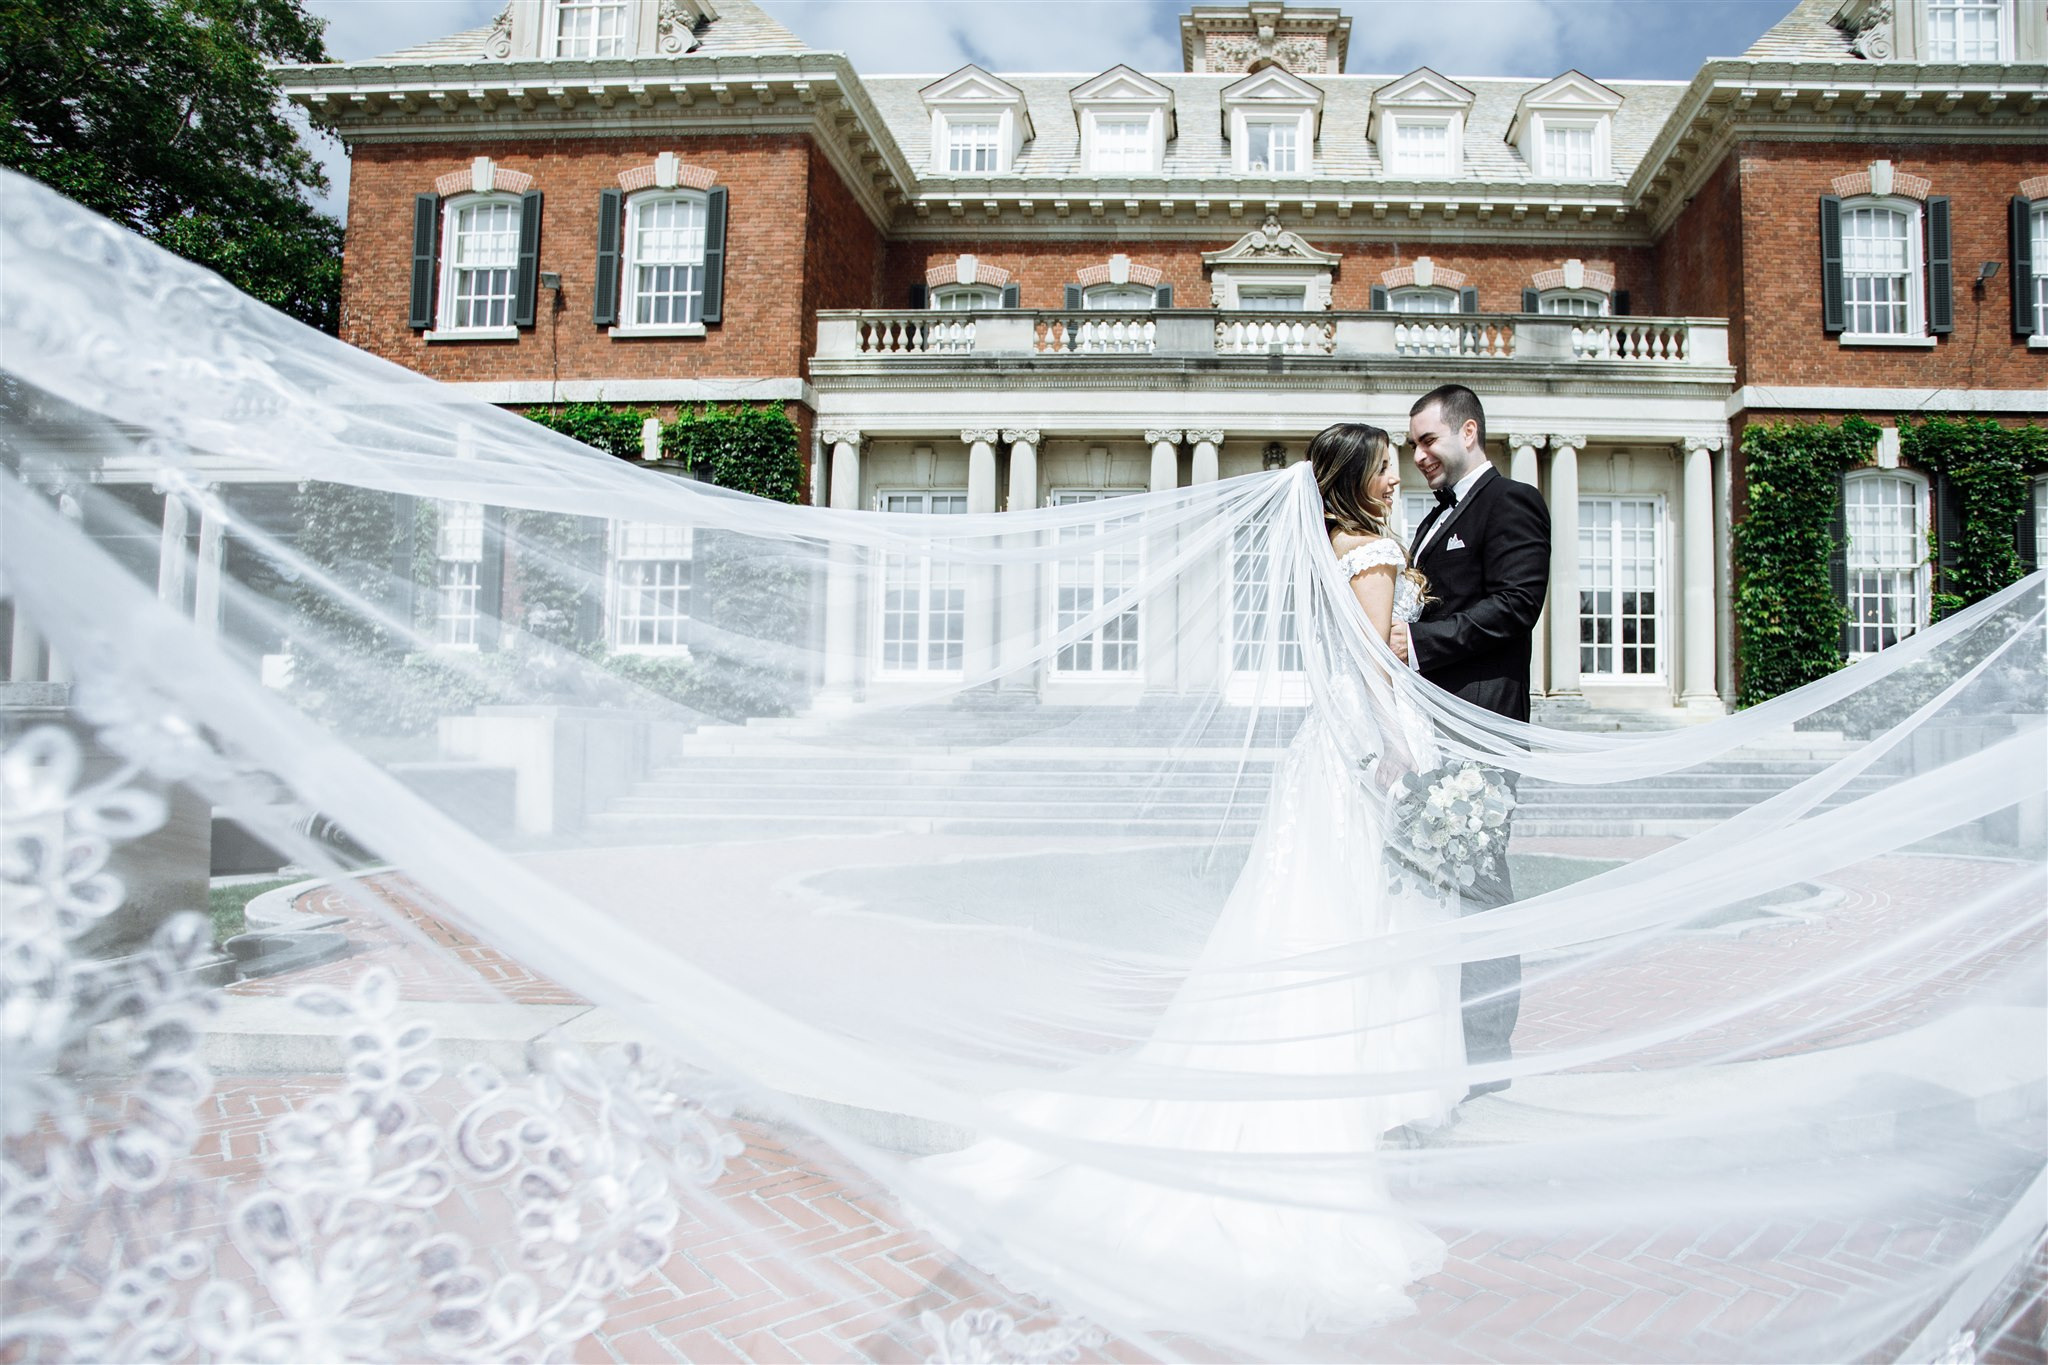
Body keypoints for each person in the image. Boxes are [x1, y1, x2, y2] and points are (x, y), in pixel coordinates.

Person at [918, 424, 1462, 1338]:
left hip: (1318, 759)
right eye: (1380, 465)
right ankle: (1329, 1105)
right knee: (1337, 926)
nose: (1391, 476)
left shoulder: (1323, 548)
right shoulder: (1367, 549)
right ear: (1355, 481)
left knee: (1303, 922)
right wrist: (1403, 749)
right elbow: (1371, 665)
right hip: (1358, 755)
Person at [1391, 383, 1551, 1097]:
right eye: (1414, 442)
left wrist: (1416, 642)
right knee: (1435, 891)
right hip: (1431, 730)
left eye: (1429, 439)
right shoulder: (1433, 519)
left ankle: (1486, 1059)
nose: (1419, 453)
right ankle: (1437, 1041)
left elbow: (1517, 604)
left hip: (1482, 731)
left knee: (1482, 894)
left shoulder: (1510, 502)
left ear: (1469, 431)